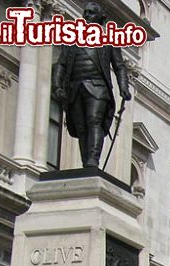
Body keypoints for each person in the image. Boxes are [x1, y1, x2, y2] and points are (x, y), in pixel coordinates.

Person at [51, 2, 132, 168]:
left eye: (91, 13)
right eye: (85, 13)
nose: (86, 16)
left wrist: (124, 87)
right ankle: (85, 163)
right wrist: (57, 85)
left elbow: (120, 66)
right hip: (75, 88)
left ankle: (93, 160)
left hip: (98, 88)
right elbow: (61, 64)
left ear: (100, 18)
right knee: (81, 128)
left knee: (94, 121)